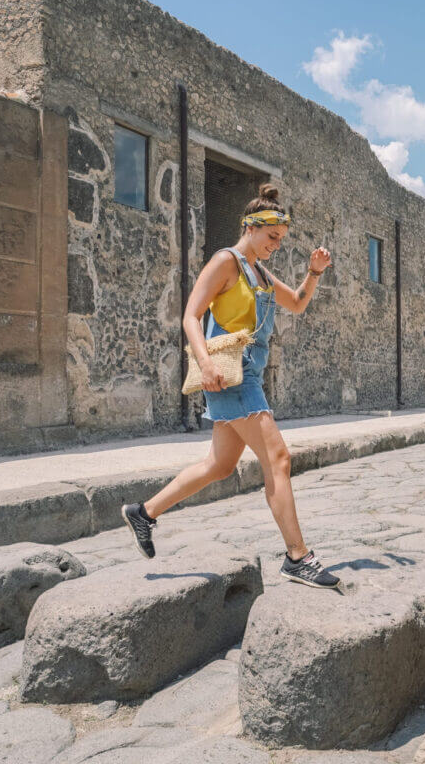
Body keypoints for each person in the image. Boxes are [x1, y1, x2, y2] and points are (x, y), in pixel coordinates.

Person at [120, 184, 340, 590]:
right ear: (250, 227)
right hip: (225, 374)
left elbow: (297, 303)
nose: (277, 244)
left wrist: (314, 272)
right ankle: (298, 557)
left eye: (281, 239)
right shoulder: (226, 261)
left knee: (219, 466)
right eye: (272, 237)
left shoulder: (260, 272)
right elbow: (190, 315)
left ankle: (143, 512)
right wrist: (204, 363)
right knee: (279, 459)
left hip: (247, 375)